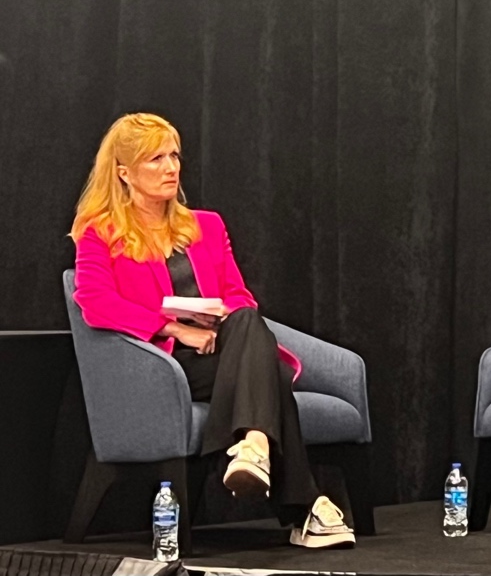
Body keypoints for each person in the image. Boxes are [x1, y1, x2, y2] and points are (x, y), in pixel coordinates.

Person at [70, 113, 354, 549]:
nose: (171, 168)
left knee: (246, 318)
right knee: (274, 375)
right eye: (155, 159)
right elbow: (94, 301)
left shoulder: (206, 225)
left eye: (174, 156)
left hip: (224, 349)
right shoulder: (100, 233)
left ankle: (256, 450)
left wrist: (218, 317)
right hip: (164, 364)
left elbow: (238, 295)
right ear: (124, 173)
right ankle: (301, 502)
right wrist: (176, 328)